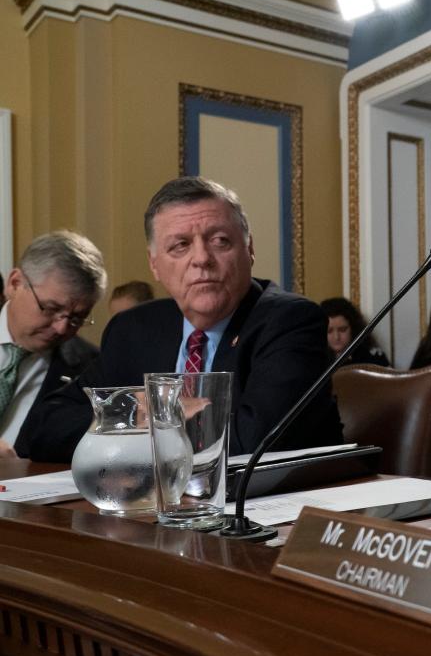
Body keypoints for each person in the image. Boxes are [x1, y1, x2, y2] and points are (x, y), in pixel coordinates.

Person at [21, 176, 343, 460]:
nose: (202, 258)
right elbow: (44, 428)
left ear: (250, 249)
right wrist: (139, 413)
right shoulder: (133, 329)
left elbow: (251, 444)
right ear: (155, 265)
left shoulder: (290, 321)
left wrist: (137, 424)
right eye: (180, 246)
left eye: (220, 241)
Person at [1, 231, 106, 458]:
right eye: (50, 308)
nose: (61, 328)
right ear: (15, 283)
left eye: (77, 318)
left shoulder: (91, 369)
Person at [321, 296, 390, 367]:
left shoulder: (373, 357)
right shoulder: (315, 359)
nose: (336, 337)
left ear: (353, 328)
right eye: (329, 331)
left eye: (342, 330)